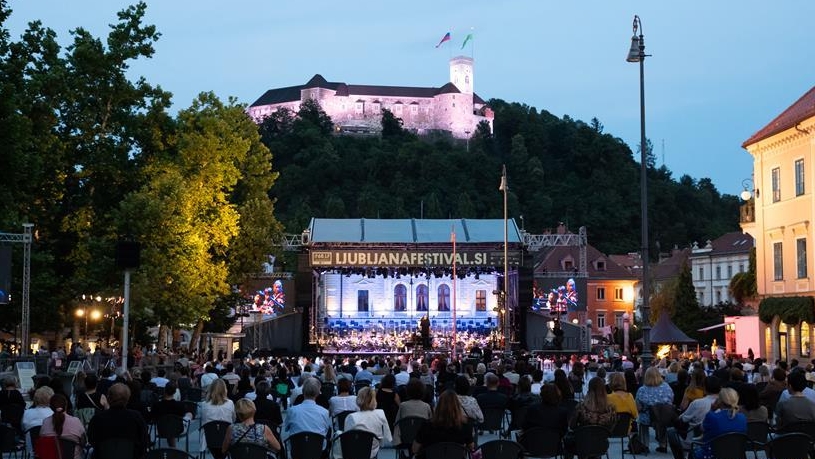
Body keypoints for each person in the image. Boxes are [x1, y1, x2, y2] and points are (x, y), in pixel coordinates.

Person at [87, 383, 149, 459]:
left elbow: (91, 440)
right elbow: (144, 440)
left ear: (108, 398)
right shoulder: (137, 417)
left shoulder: (97, 418)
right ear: (127, 399)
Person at [412, 390, 474, 459]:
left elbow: (415, 449)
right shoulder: (465, 426)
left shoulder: (426, 425)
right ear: (457, 406)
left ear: (439, 405)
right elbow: (471, 447)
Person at [692, 388, 747, 459]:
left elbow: (701, 428)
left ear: (719, 401)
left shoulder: (712, 417)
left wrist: (712, 409)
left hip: (712, 455)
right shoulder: (742, 418)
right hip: (736, 455)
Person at [344, 387, 393, 458]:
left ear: (358, 399)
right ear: (374, 400)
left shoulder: (351, 417)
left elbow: (347, 440)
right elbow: (388, 437)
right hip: (374, 450)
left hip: (356, 450)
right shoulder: (380, 413)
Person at [635, 366, 675, 454]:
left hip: (648, 417)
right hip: (663, 416)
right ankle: (663, 445)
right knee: (662, 421)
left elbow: (638, 407)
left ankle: (645, 444)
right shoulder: (666, 387)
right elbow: (671, 400)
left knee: (642, 421)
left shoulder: (642, 390)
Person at [282, 377, 331, 442]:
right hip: (318, 445)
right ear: (318, 393)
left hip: (296, 445)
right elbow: (326, 429)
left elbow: (286, 428)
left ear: (303, 391)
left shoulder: (292, 410)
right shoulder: (324, 412)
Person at [39, 394, 86, 459]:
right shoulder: (76, 421)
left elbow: (42, 440)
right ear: (66, 406)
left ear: (50, 407)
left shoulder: (45, 422)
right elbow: (83, 442)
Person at [151, 382, 194, 447]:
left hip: (161, 429)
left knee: (170, 423)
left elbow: (153, 417)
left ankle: (172, 446)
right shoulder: (180, 405)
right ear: (175, 392)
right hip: (177, 429)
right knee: (189, 414)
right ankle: (172, 447)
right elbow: (182, 415)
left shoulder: (156, 405)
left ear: (165, 390)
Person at [393, 378, 432, 445]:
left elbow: (397, 423)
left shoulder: (403, 405)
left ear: (408, 391)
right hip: (422, 439)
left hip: (406, 438)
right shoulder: (426, 406)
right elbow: (431, 423)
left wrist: (397, 441)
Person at [23, 386, 55, 453]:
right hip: (52, 448)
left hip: (32, 447)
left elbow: (23, 428)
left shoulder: (27, 413)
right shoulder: (54, 413)